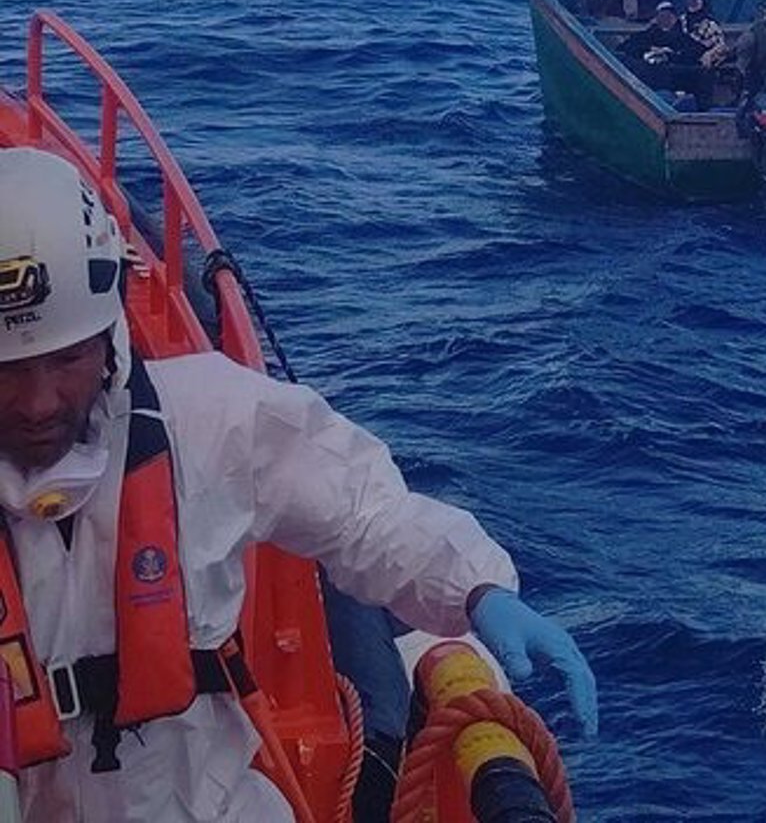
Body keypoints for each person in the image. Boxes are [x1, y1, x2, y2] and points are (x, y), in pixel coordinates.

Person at [0, 146, 597, 823]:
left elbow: (363, 513)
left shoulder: (209, 420)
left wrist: (476, 588)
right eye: (9, 370)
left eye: (66, 360)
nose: (39, 402)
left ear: (110, 335)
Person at [618, 1, 705, 100]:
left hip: (674, 83)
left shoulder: (684, 39)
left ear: (675, 18)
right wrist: (649, 50)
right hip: (647, 81)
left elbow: (693, 57)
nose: (665, 19)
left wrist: (669, 54)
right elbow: (626, 48)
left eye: (669, 15)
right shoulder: (645, 36)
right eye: (661, 15)